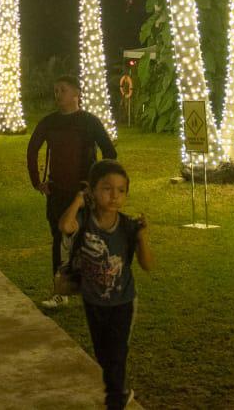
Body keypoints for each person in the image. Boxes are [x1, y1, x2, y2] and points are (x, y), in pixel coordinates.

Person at [58, 159, 154, 410]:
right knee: (102, 353)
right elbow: (65, 226)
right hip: (93, 300)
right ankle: (120, 390)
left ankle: (115, 400)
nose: (114, 196)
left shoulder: (129, 226)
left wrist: (143, 238)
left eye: (121, 190)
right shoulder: (84, 219)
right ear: (92, 190)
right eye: (107, 188)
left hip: (123, 301)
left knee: (117, 353)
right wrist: (79, 201)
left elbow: (147, 264)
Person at [26, 75, 117, 309]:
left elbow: (109, 152)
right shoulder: (49, 122)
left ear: (77, 93)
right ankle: (61, 292)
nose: (58, 95)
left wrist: (96, 185)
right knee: (59, 241)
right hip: (56, 191)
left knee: (89, 241)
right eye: (56, 90)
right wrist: (38, 181)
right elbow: (33, 148)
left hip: (83, 194)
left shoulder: (89, 121)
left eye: (63, 90)